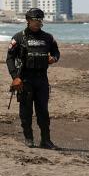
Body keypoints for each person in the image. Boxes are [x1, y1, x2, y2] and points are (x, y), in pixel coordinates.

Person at [6, 8, 60, 149]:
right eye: (35, 20)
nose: (37, 23)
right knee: (26, 111)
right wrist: (15, 77)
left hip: (42, 80)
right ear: (28, 21)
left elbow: (56, 52)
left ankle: (46, 140)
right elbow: (10, 58)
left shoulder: (48, 38)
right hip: (25, 80)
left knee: (43, 111)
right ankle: (29, 139)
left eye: (40, 20)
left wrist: (53, 58)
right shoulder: (19, 37)